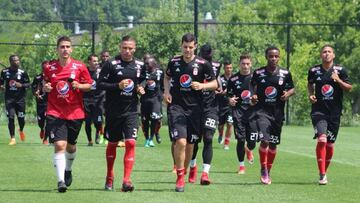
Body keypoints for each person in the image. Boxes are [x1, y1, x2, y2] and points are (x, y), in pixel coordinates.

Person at [164, 33, 217, 192]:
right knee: (180, 141)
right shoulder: (174, 62)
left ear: (195, 47)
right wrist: (166, 92)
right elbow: (167, 78)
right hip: (177, 107)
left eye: (190, 47)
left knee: (190, 145)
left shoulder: (203, 64)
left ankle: (184, 171)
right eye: (185, 47)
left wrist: (202, 86)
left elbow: (214, 84)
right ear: (181, 46)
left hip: (195, 110)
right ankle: (180, 177)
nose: (187, 50)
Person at [43, 36, 92, 192]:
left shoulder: (80, 66)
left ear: (71, 49)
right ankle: (60, 181)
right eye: (62, 47)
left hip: (75, 112)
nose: (65, 49)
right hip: (55, 111)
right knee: (59, 145)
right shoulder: (49, 67)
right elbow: (45, 83)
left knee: (71, 147)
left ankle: (68, 169)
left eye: (67, 46)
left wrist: (79, 85)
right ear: (57, 49)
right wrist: (46, 87)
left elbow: (90, 85)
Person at [98, 35, 145, 192]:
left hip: (131, 110)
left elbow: (143, 80)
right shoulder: (110, 64)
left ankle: (126, 180)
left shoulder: (139, 65)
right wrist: (117, 85)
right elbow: (100, 84)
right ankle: (110, 175)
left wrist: (140, 87)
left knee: (131, 142)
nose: (127, 51)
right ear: (120, 47)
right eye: (125, 48)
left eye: (130, 48)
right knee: (112, 144)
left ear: (135, 48)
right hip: (113, 111)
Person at [307, 45, 352, 185]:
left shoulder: (340, 70)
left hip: (334, 113)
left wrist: (338, 80)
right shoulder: (314, 70)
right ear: (321, 55)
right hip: (318, 111)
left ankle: (323, 172)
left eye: (329, 52)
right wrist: (311, 95)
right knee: (322, 140)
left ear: (334, 55)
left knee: (330, 144)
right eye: (324, 52)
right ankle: (322, 175)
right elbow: (310, 84)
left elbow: (349, 88)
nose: (326, 54)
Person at [251, 46, 295, 185]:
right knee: (265, 140)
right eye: (271, 56)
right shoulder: (258, 73)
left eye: (276, 56)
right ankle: (263, 168)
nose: (273, 59)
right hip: (262, 112)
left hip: (277, 113)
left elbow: (292, 88)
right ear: (266, 57)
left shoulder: (285, 73)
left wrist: (288, 94)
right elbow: (251, 87)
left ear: (279, 57)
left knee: (274, 145)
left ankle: (268, 170)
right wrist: (253, 95)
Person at [188, 44, 221, 185]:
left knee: (208, 137)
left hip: (211, 108)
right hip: (195, 107)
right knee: (194, 140)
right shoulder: (193, 64)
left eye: (209, 53)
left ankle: (205, 173)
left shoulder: (217, 65)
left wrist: (219, 88)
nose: (207, 56)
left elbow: (217, 83)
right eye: (204, 53)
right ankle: (192, 167)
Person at [227, 54, 257, 174]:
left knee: (252, 142)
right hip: (238, 112)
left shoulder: (257, 78)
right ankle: (241, 166)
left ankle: (249, 149)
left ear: (251, 64)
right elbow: (228, 95)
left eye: (247, 64)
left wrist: (255, 99)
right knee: (240, 139)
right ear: (239, 64)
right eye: (243, 64)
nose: (245, 66)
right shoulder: (233, 79)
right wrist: (230, 99)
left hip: (253, 113)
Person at [0, 55, 30, 145]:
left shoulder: (23, 72)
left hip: (20, 99)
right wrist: (1, 86)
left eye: (18, 60)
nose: (17, 62)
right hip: (9, 99)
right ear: (11, 62)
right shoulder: (4, 72)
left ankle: (21, 130)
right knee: (11, 117)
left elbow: (29, 84)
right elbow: (1, 82)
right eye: (15, 60)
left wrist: (21, 85)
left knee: (21, 119)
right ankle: (12, 138)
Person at [140, 56, 164, 147]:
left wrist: (163, 95)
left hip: (156, 100)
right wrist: (141, 87)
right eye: (145, 63)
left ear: (154, 64)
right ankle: (146, 139)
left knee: (155, 118)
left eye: (147, 64)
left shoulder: (160, 72)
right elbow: (140, 82)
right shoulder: (143, 72)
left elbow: (163, 84)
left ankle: (151, 138)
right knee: (145, 120)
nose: (146, 65)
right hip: (145, 99)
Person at [83, 54, 105, 146]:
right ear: (89, 62)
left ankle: (98, 134)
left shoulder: (101, 71)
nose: (96, 62)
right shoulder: (84, 71)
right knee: (88, 122)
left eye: (97, 61)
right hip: (87, 99)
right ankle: (90, 140)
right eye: (94, 61)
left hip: (99, 99)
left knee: (98, 121)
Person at [31, 60, 49, 144]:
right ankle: (42, 129)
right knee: (41, 121)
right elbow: (33, 88)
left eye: (47, 68)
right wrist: (36, 93)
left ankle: (46, 138)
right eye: (44, 68)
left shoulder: (53, 77)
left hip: (50, 102)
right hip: (40, 103)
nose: (45, 69)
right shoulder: (37, 78)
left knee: (49, 120)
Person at [217, 60, 234, 149]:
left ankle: (226, 143)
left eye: (230, 68)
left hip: (231, 106)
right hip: (221, 105)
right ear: (224, 69)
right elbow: (217, 90)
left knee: (230, 123)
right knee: (220, 125)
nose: (229, 69)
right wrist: (221, 92)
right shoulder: (220, 78)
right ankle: (220, 134)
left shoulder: (235, 78)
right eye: (227, 68)